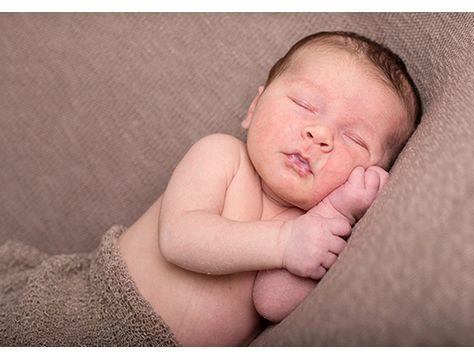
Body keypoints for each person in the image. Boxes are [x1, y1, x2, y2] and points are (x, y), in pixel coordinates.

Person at [117, 31, 421, 346]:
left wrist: (335, 212)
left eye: (354, 139)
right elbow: (178, 238)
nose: (319, 134)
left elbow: (272, 303)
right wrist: (284, 243)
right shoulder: (222, 156)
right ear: (254, 107)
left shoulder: (305, 229)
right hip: (99, 310)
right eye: (305, 104)